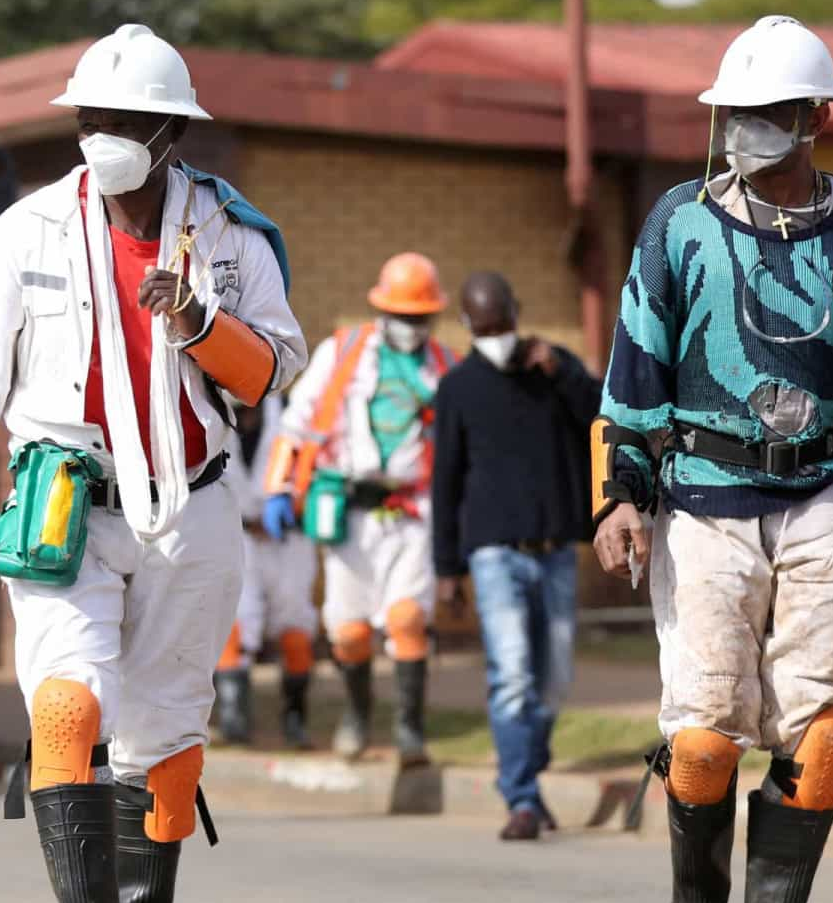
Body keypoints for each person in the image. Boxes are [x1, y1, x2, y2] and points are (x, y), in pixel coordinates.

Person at [0, 24, 305, 903]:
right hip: (60, 506)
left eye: (120, 120)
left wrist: (199, 321)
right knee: (67, 710)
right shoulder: (25, 232)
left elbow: (276, 365)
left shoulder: (231, 235)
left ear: (169, 133)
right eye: (88, 119)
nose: (99, 135)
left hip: (191, 509)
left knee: (164, 738)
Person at [593, 16, 833, 903]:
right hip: (704, 501)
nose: (745, 128)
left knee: (820, 732)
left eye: (767, 112)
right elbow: (631, 376)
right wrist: (619, 496)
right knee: (704, 735)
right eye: (734, 112)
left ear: (814, 116)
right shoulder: (679, 223)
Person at [263, 252, 453, 765]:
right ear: (382, 310)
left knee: (408, 619)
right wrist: (279, 488)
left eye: (420, 318)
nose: (411, 327)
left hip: (412, 510)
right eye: (402, 316)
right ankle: (356, 715)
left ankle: (411, 731)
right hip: (348, 513)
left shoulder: (443, 365)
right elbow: (297, 424)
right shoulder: (343, 352)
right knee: (347, 631)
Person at [430, 271, 600, 841]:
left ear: (516, 314)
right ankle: (522, 799)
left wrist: (565, 372)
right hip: (492, 552)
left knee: (554, 678)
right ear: (468, 327)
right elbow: (445, 481)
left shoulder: (553, 371)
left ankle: (529, 763)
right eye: (484, 329)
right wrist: (447, 569)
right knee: (513, 676)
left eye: (502, 325)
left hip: (554, 549)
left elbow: (603, 417)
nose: (496, 336)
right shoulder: (457, 389)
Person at [212, 392, 318, 749]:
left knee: (295, 625)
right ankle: (234, 720)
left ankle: (295, 718)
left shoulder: (290, 411)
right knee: (234, 624)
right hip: (235, 533)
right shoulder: (208, 408)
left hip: (287, 536)